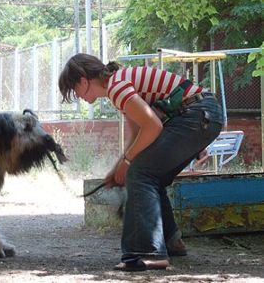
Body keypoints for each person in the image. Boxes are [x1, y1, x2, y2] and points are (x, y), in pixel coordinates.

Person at [59, 53, 224, 271]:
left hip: (196, 114)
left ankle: (148, 252)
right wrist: (119, 166)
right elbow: (139, 134)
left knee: (140, 174)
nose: (77, 97)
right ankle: (171, 241)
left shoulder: (117, 87)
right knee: (150, 174)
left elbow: (153, 127)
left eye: (74, 90)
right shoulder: (119, 84)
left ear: (82, 79)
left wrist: (127, 164)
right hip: (203, 114)